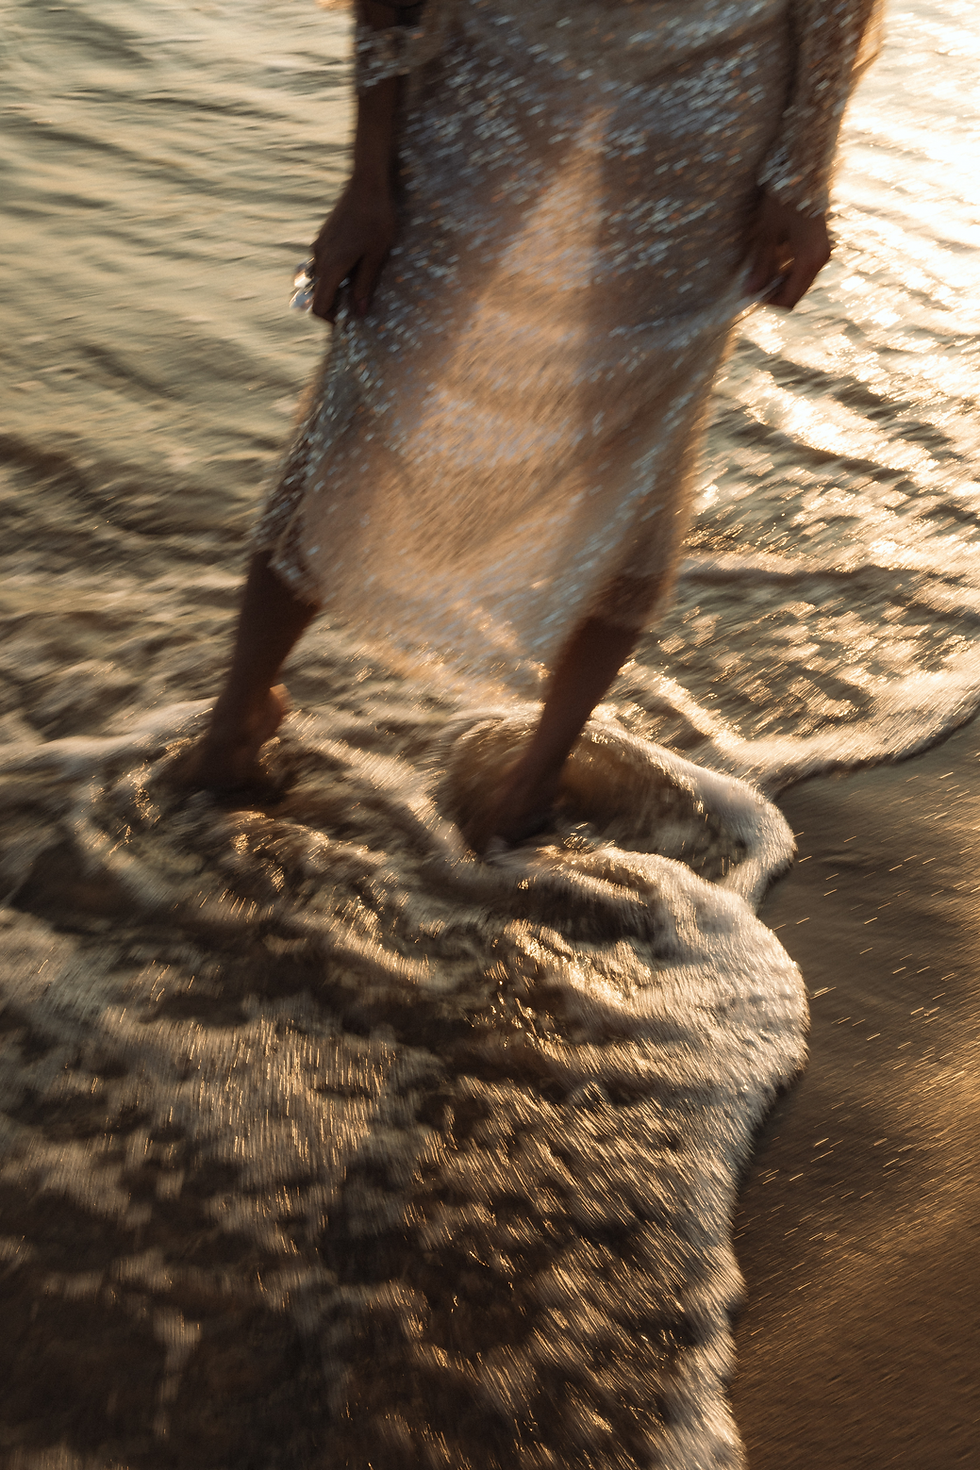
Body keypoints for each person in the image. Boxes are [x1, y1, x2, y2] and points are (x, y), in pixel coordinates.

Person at [181, 0, 883, 849]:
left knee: (632, 445)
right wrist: (365, 184)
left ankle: (534, 777)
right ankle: (236, 722)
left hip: (702, 94)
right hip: (493, 69)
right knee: (371, 394)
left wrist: (805, 179)